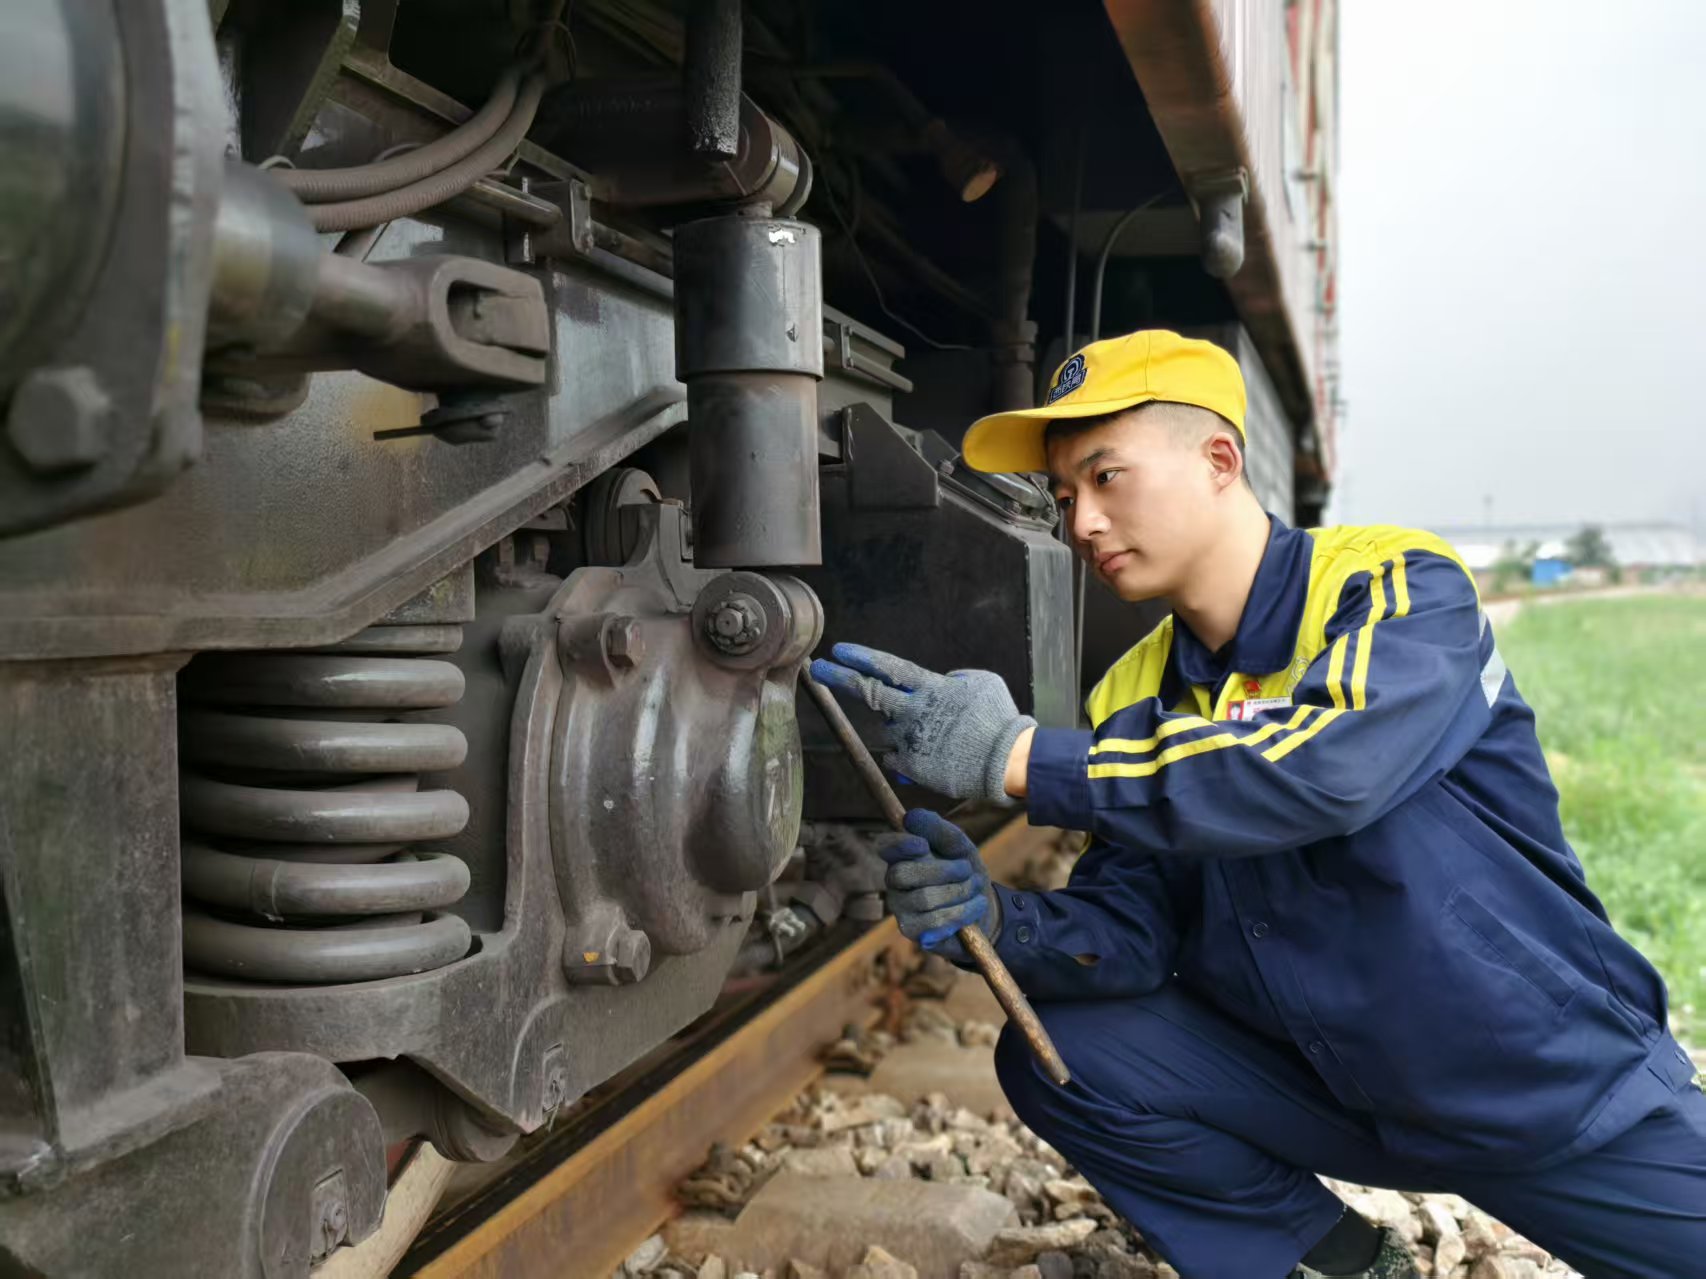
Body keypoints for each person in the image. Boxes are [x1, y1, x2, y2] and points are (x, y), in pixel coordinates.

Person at [810, 331, 1706, 1279]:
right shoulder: (1134, 691)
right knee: (1067, 1051)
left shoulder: (1393, 585)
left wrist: (1023, 757)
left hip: (1538, 1088)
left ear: (1220, 460)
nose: (1081, 523)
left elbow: (1323, 772)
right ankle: (1346, 1263)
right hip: (1334, 1089)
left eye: (1106, 476)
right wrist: (1000, 921)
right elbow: (1135, 928)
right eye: (1065, 496)